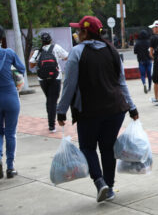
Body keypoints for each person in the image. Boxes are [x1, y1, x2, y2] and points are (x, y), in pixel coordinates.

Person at [56, 16, 138, 202]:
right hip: (116, 109)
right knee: (107, 148)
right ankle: (109, 187)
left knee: (87, 147)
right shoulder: (112, 51)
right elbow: (121, 83)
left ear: (86, 33)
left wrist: (61, 110)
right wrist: (132, 107)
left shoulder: (77, 52)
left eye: (79, 31)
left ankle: (100, 183)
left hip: (89, 111)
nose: (77, 34)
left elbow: (69, 84)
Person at [29, 33, 68, 132]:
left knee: (49, 99)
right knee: (53, 101)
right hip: (55, 77)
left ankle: (50, 120)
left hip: (42, 79)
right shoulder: (56, 47)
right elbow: (67, 56)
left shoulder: (38, 51)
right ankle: (52, 126)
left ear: (42, 41)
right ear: (50, 40)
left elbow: (31, 65)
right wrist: (60, 59)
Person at [0, 25, 25, 179]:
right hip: (10, 96)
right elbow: (21, 69)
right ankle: (10, 167)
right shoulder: (8, 53)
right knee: (10, 133)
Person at [134, 29, 153, 93]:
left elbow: (135, 52)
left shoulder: (137, 43)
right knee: (149, 74)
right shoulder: (149, 42)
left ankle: (144, 83)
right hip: (148, 60)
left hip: (141, 60)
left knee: (142, 75)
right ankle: (149, 87)